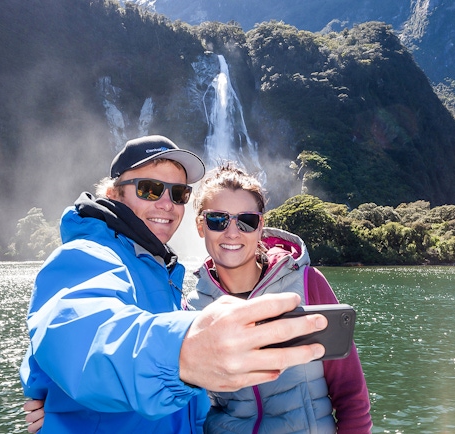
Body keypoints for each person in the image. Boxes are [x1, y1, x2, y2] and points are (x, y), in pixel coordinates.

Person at [19, 136, 328, 433]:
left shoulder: (161, 275)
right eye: (150, 189)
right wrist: (182, 354)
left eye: (178, 193)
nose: (167, 203)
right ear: (114, 194)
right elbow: (81, 333)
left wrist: (54, 398)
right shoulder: (88, 255)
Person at [186, 162, 372, 433]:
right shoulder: (191, 308)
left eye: (246, 221)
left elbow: (351, 393)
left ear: (260, 226)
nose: (232, 232)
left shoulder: (308, 284)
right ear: (201, 226)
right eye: (218, 219)